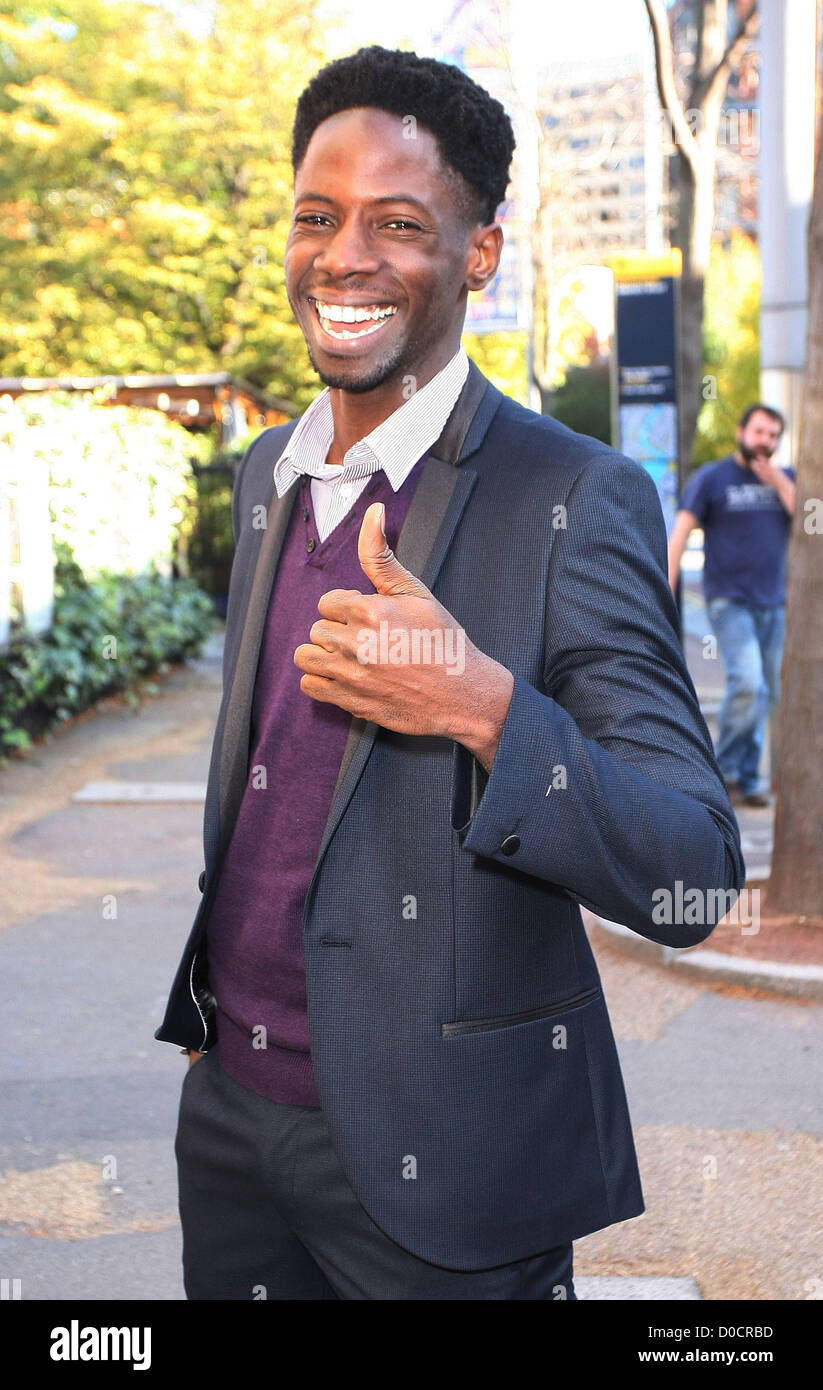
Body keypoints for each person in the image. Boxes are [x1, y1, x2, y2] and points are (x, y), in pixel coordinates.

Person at [156, 45, 744, 1301]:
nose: (344, 255)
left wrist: (486, 710)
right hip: (232, 1128)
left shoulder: (576, 497)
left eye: (399, 224)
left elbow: (693, 873)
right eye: (318, 216)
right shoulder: (265, 476)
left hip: (451, 1176)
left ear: (478, 253)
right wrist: (219, 1053)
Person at [667, 404, 796, 808]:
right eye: (759, 432)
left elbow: (813, 524)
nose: (765, 442)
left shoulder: (787, 480)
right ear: (741, 431)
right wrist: (663, 592)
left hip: (774, 602)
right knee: (749, 682)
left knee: (768, 693)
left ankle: (744, 775)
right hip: (729, 600)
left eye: (773, 436)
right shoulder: (713, 478)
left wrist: (780, 484)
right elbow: (681, 533)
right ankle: (723, 774)